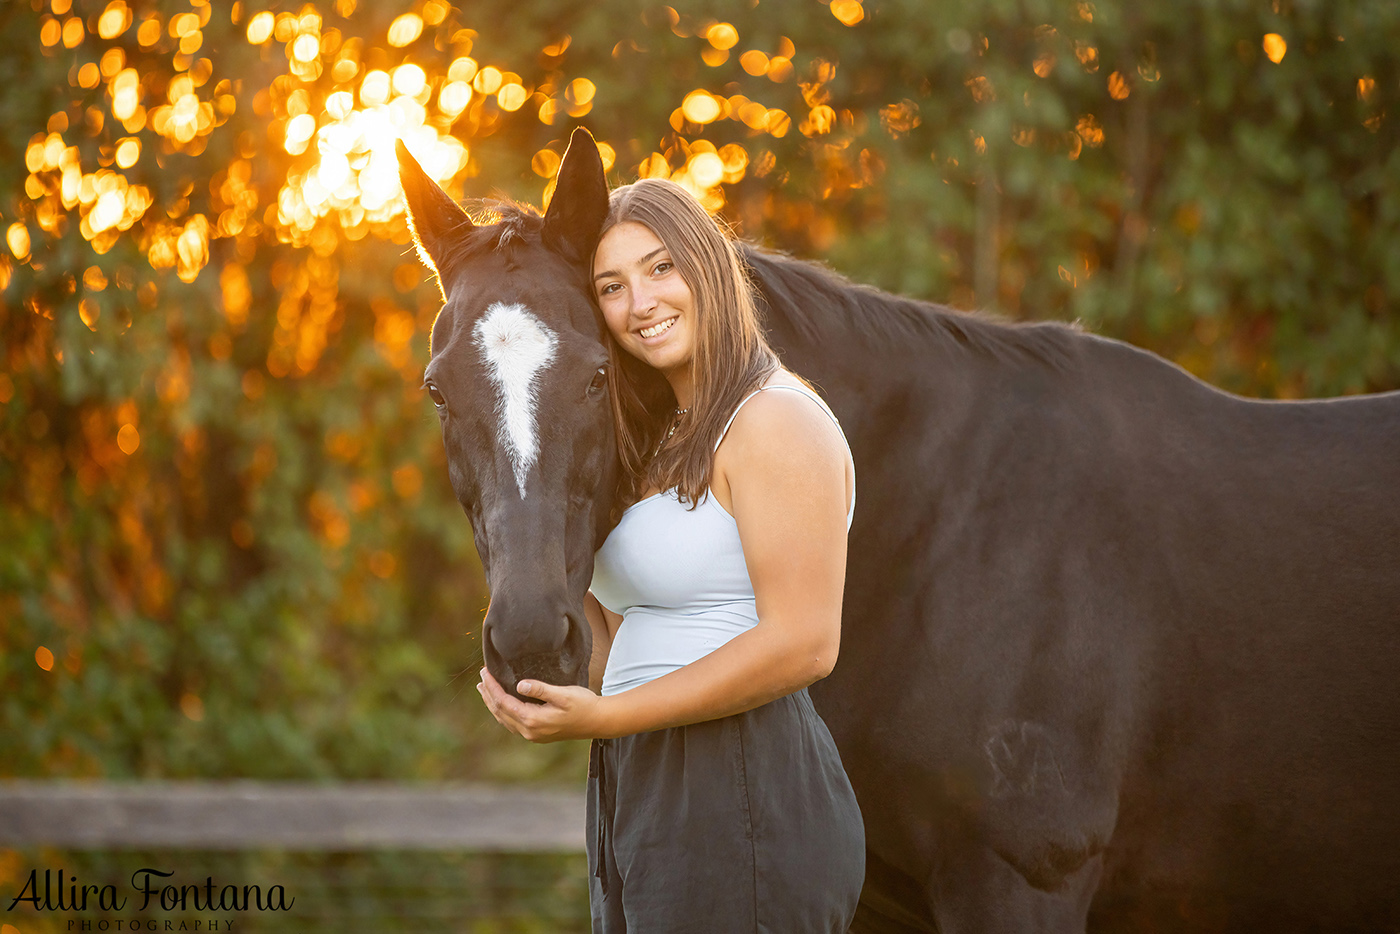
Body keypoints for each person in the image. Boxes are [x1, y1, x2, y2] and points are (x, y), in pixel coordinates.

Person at [476, 177, 864, 932]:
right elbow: (627, 643)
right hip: (642, 781)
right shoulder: (668, 443)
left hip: (743, 779)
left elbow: (807, 643)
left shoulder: (776, 421)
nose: (640, 303)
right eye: (611, 286)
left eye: (661, 268)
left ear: (710, 267)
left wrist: (609, 719)